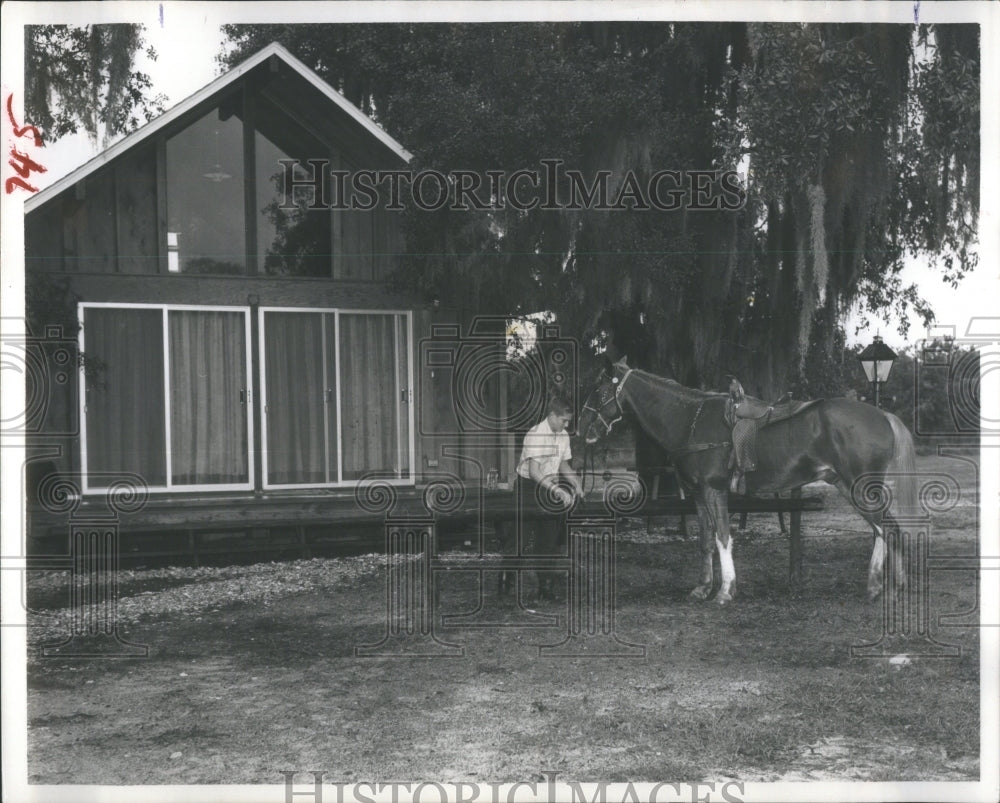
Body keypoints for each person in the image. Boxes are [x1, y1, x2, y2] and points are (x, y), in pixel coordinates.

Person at [514, 395, 585, 600]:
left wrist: (576, 483)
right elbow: (535, 472)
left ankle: (545, 588)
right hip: (527, 488)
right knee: (519, 540)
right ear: (552, 416)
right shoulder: (536, 434)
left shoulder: (563, 435)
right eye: (563, 420)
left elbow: (563, 464)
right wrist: (558, 490)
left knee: (548, 540)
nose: (566, 424)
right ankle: (506, 577)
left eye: (568, 421)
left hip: (548, 489)